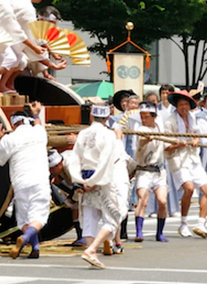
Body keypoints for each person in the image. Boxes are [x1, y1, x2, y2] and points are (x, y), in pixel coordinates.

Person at [67, 102, 126, 269]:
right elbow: (106, 160)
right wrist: (93, 182)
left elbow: (75, 159)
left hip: (85, 177)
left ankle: (90, 251)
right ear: (107, 117)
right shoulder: (108, 135)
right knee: (114, 217)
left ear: (92, 116)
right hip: (100, 179)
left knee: (89, 220)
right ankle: (92, 250)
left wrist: (80, 180)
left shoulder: (83, 133)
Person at [0, 103, 51, 259]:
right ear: (27, 121)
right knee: (38, 217)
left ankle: (34, 247)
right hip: (40, 181)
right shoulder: (39, 132)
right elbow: (38, 124)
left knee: (24, 219)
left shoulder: (10, 138)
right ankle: (25, 240)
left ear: (13, 124)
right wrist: (36, 113)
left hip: (21, 183)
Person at [165, 90, 207, 239]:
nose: (184, 107)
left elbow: (196, 136)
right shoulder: (170, 122)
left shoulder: (193, 119)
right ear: (176, 106)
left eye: (186, 104)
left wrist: (196, 140)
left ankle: (201, 223)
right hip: (178, 159)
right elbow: (165, 146)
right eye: (181, 104)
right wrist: (177, 144)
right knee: (189, 188)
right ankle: (183, 222)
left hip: (193, 158)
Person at [131, 102, 169, 242]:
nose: (143, 119)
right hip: (144, 170)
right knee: (143, 200)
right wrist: (146, 140)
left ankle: (160, 232)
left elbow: (166, 140)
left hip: (159, 171)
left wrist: (177, 142)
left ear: (153, 116)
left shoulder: (159, 125)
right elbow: (140, 141)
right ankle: (139, 232)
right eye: (141, 116)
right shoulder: (140, 128)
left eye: (146, 116)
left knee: (162, 201)